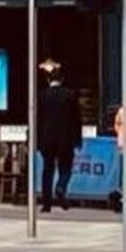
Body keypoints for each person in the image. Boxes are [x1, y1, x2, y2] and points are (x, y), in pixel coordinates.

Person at [36, 75, 81, 212]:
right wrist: (78, 139)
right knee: (65, 168)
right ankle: (61, 186)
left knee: (47, 170)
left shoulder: (42, 96)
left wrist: (36, 140)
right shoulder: (70, 95)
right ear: (62, 80)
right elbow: (76, 119)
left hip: (47, 139)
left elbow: (37, 119)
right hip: (66, 139)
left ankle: (46, 203)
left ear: (48, 80)